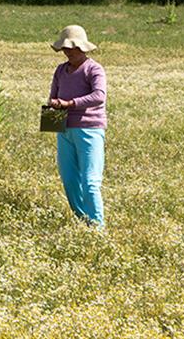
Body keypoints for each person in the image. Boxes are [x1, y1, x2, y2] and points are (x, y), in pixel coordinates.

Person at [48, 25, 107, 228]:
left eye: (72, 48)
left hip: (89, 129)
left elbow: (99, 96)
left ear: (82, 48)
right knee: (70, 180)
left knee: (90, 182)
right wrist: (53, 105)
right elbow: (53, 96)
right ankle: (83, 221)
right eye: (65, 48)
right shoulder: (60, 70)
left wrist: (70, 104)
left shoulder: (94, 69)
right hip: (64, 129)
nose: (68, 52)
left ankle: (98, 227)